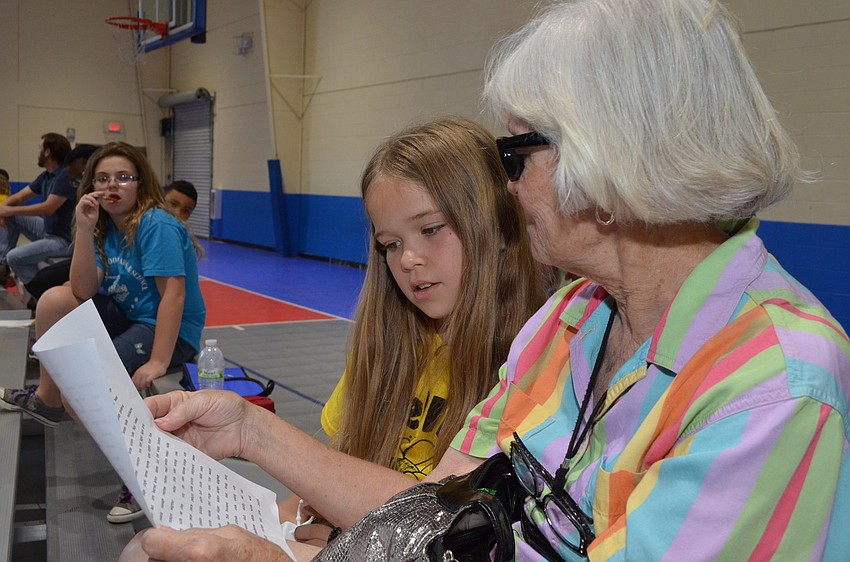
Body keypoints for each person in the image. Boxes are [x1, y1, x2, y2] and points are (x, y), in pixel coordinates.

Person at [126, 0, 850, 560]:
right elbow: (439, 511)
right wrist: (254, 431)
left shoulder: (772, 386)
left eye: (514, 154)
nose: (503, 190)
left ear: (610, 153)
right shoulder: (570, 319)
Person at [279, 116, 547, 543]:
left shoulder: (541, 363)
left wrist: (338, 540)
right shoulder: (389, 353)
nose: (407, 260)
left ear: (497, 225)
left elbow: (464, 534)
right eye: (391, 244)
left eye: (430, 229)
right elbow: (311, 488)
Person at [0, 141, 207, 524]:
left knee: (81, 394)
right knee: (53, 301)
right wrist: (83, 227)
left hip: (167, 328)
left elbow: (173, 295)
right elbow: (82, 290)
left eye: (124, 177)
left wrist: (160, 359)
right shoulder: (103, 225)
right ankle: (48, 398)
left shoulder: (155, 224)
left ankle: (142, 474)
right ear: (91, 185)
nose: (114, 185)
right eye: (103, 178)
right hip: (130, 314)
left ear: (140, 183)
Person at [23, 144, 101, 302]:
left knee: (47, 287)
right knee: (48, 289)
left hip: (94, 261)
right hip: (93, 259)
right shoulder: (86, 204)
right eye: (76, 181)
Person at [0, 133, 74, 287]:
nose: (37, 152)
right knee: (11, 215)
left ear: (47, 152)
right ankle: (1, 265)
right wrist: (3, 210)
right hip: (48, 231)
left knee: (14, 257)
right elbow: (20, 197)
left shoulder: (65, 175)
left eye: (40, 148)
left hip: (64, 241)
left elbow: (48, 208)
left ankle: (39, 292)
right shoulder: (46, 176)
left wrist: (10, 211)